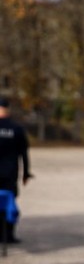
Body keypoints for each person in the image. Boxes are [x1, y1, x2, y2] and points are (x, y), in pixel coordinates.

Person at [0, 97, 32, 243]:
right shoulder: (16, 128)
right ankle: (8, 235)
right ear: (8, 108)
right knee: (9, 202)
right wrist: (26, 173)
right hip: (10, 174)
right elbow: (24, 154)